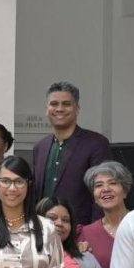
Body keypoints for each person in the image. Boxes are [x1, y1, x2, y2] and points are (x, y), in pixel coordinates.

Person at [32, 81, 112, 223]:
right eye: (54, 104)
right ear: (47, 109)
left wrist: (93, 231)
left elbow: (102, 193)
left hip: (80, 229)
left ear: (77, 109)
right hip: (43, 228)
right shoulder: (40, 147)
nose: (59, 109)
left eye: (66, 104)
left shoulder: (96, 144)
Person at [77, 161, 134, 268]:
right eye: (99, 185)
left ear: (125, 191)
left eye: (112, 183)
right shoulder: (86, 233)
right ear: (94, 196)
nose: (106, 189)